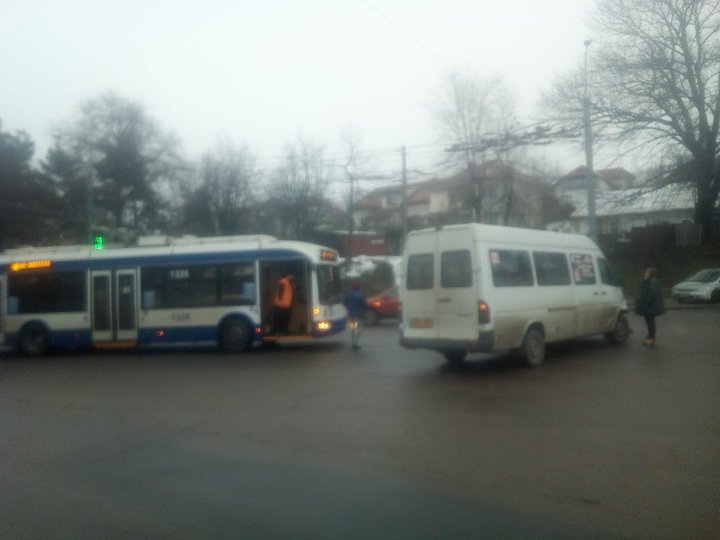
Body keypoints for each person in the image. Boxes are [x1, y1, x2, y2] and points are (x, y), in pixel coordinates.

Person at [634, 267, 665, 346]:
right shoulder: (651, 281)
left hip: (650, 306)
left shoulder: (652, 281)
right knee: (650, 322)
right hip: (650, 306)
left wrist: (645, 302)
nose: (645, 273)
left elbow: (651, 293)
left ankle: (651, 338)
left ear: (649, 274)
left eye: (646, 272)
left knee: (650, 322)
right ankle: (650, 337)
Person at [344, 282, 368, 350]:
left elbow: (345, 304)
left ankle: (353, 343)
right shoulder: (361, 295)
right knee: (359, 328)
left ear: (352, 288)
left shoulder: (348, 295)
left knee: (352, 329)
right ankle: (355, 343)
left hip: (351, 315)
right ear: (359, 288)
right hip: (359, 314)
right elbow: (365, 304)